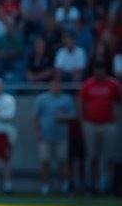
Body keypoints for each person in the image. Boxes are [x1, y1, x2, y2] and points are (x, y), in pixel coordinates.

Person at [77, 60, 122, 194]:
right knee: (93, 157)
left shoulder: (112, 84)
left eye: (101, 70)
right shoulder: (88, 84)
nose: (99, 73)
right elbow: (80, 101)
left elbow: (120, 101)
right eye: (97, 70)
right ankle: (93, 186)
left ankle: (110, 185)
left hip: (108, 125)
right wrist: (82, 120)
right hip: (91, 124)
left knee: (111, 157)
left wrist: (116, 119)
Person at [32, 78, 75, 195]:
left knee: (62, 161)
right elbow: (35, 117)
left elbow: (73, 116)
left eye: (58, 84)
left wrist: (64, 117)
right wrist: (38, 132)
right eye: (54, 84)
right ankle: (45, 186)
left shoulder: (67, 99)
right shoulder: (42, 99)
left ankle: (64, 185)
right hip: (45, 136)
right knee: (44, 161)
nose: (56, 86)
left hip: (61, 136)